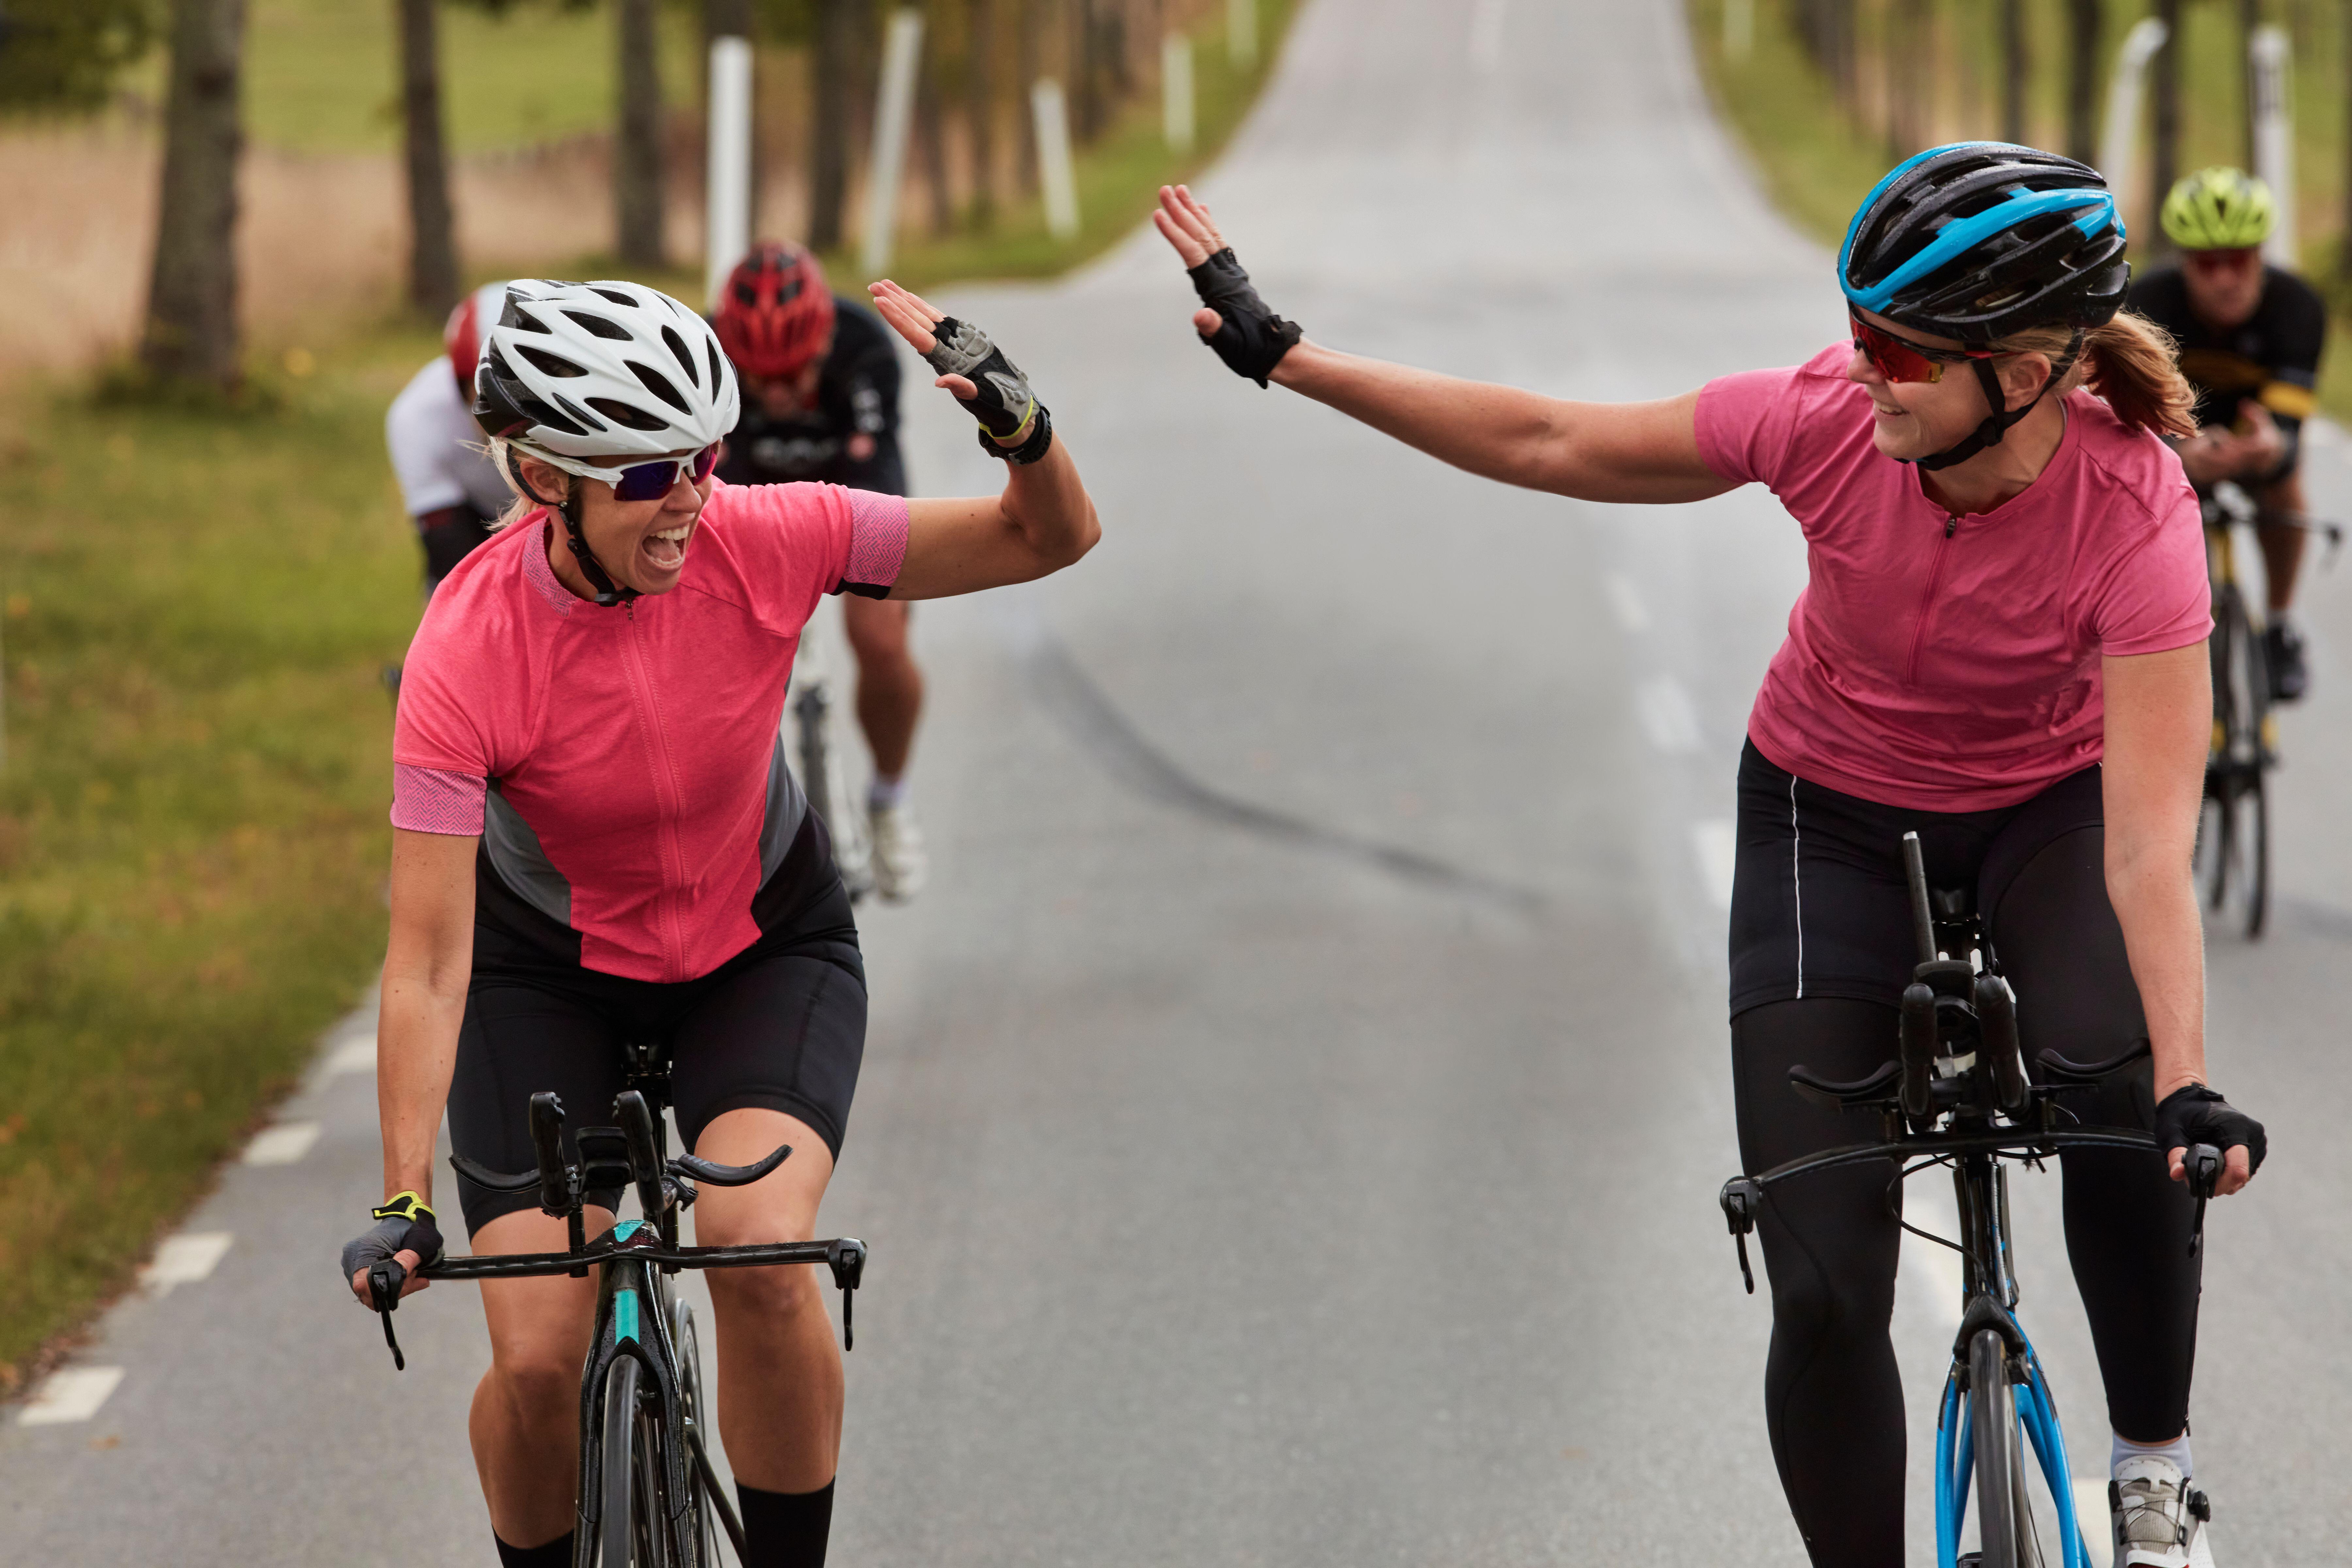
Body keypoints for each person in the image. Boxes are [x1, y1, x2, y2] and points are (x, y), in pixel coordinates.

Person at [1153, 145, 2266, 1568]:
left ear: (2025, 366)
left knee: (2113, 1095)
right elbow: (1549, 439)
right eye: (1853, 329)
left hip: (2049, 812)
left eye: (1899, 349)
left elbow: (2145, 846)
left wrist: (2184, 1083)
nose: (1860, 368)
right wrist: (1292, 361)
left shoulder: (2133, 514)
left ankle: (2150, 1478)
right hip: (1830, 812)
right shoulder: (1819, 423)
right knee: (1815, 1280)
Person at [340, 276, 1095, 1568]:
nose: (689, 496)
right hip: (548, 980)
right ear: (541, 481)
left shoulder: (769, 534)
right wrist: (406, 1195)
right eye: (645, 477)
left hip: (760, 951)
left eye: (701, 456)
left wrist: (1025, 434)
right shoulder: (466, 645)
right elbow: (425, 957)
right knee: (534, 1361)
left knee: (755, 1250)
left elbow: (1049, 540)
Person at [714, 242, 930, 900]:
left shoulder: (863, 346)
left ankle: (889, 799)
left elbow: (876, 475)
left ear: (823, 343)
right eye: (761, 378)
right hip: (742, 492)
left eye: (795, 376)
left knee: (880, 635)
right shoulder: (703, 354)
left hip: (850, 489)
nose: (778, 395)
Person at [2128, 167, 2328, 701]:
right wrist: (2176, 453)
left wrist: (2267, 448)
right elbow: (2123, 414)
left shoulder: (2298, 308)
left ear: (2261, 256)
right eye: (2207, 263)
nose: (2224, 278)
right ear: (2185, 263)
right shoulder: (2145, 304)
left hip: (2250, 436)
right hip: (2171, 436)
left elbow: (2287, 427)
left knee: (2284, 483)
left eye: (2238, 260)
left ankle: (2281, 626)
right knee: (2135, 494)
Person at [385, 281, 514, 596]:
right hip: (480, 518)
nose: (513, 422)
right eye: (491, 398)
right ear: (461, 383)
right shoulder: (417, 417)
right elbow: (448, 548)